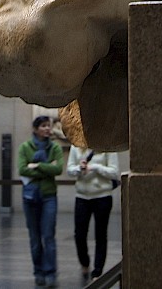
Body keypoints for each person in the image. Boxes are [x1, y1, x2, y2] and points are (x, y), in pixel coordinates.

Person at [18, 115, 64, 287]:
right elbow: (22, 169)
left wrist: (36, 165)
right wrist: (47, 168)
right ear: (36, 129)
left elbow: (58, 169)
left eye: (49, 126)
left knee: (48, 235)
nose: (47, 129)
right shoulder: (25, 147)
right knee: (35, 238)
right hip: (30, 198)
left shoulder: (55, 148)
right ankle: (38, 271)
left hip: (49, 197)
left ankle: (51, 272)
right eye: (44, 126)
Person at [67, 145, 120, 283]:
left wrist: (95, 167)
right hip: (82, 196)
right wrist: (80, 168)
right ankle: (85, 263)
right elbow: (69, 169)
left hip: (102, 196)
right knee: (79, 234)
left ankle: (98, 271)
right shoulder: (76, 146)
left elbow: (114, 172)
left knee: (101, 234)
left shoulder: (108, 145)